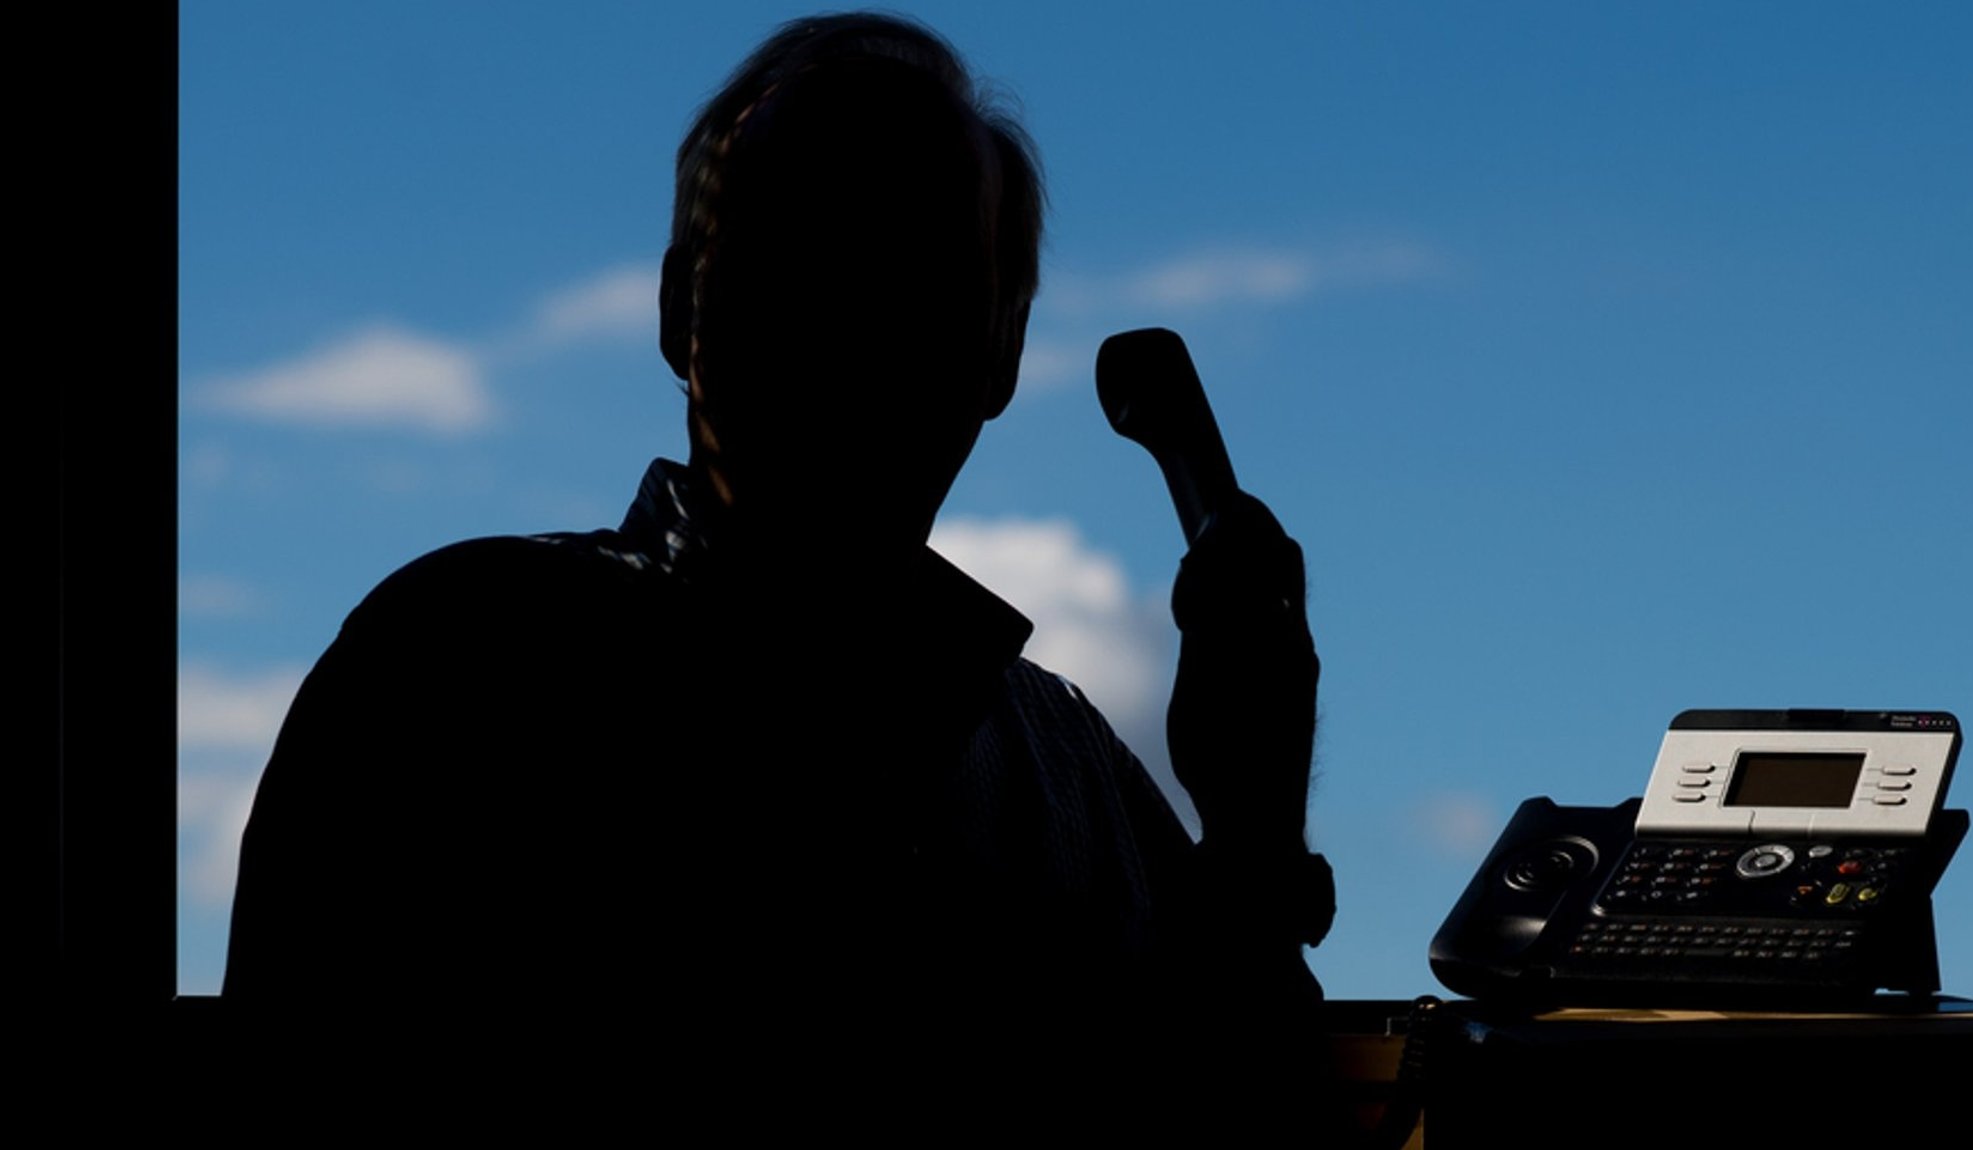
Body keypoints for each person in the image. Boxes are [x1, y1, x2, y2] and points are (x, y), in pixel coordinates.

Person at [225, 12, 1331, 1137]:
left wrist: (1252, 838)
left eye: (921, 264)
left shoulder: (1074, 771)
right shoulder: (456, 667)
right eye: (796, 244)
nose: (854, 307)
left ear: (1001, 351)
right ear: (680, 312)